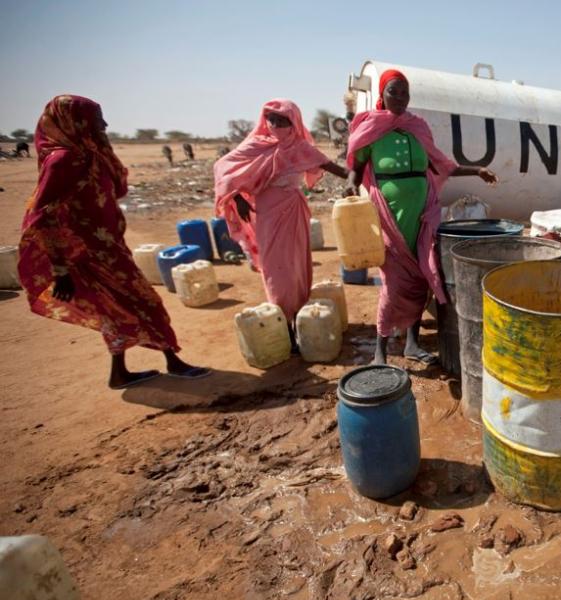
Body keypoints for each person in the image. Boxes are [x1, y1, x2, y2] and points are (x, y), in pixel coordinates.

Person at [18, 95, 209, 389]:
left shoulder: (89, 154)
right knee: (146, 301)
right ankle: (174, 362)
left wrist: (103, 150)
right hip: (87, 253)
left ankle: (119, 374)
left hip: (108, 246)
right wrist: (60, 269)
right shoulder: (63, 160)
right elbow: (42, 216)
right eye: (96, 119)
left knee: (113, 309)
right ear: (76, 121)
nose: (104, 124)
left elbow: (117, 188)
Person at [345, 69, 497, 365]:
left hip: (424, 213)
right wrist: (351, 183)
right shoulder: (370, 129)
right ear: (382, 94)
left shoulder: (418, 128)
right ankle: (380, 350)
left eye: (404, 93)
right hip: (389, 215)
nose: (399, 98)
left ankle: (412, 344)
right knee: (393, 283)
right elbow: (356, 164)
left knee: (423, 276)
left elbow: (441, 165)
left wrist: (476, 170)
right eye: (393, 92)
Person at [214, 99, 348, 347]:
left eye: (281, 120)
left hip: (293, 212)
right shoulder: (255, 145)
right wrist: (237, 199)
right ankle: (283, 323)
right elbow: (223, 168)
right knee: (276, 268)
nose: (275, 125)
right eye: (271, 119)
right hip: (267, 213)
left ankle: (298, 316)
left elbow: (330, 166)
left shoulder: (300, 147)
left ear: (293, 122)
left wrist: (358, 177)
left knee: (296, 265)